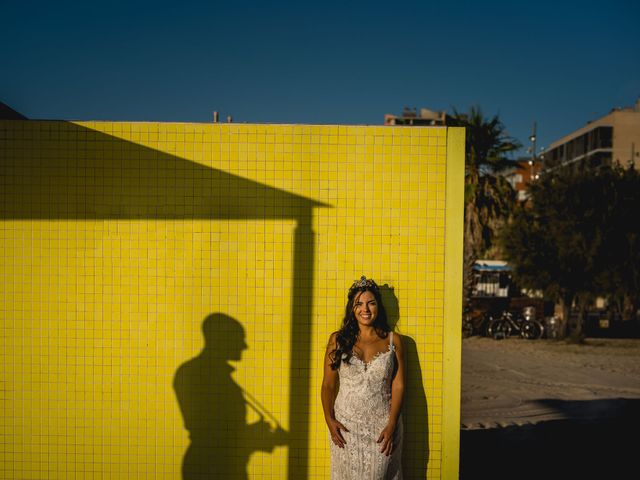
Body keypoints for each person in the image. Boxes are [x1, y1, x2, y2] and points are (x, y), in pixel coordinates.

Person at [321, 276, 405, 479]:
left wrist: (392, 424)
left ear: (378, 307)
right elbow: (328, 385)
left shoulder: (394, 341)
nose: (365, 309)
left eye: (371, 303)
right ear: (352, 308)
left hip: (382, 428)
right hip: (345, 428)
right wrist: (329, 420)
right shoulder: (338, 340)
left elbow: (399, 386)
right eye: (359, 304)